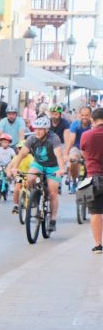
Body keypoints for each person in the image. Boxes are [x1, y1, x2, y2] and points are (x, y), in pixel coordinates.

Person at [7, 115, 64, 231]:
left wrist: (61, 169)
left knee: (53, 193)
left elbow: (58, 155)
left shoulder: (53, 139)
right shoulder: (32, 139)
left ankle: (52, 219)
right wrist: (15, 168)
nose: (37, 131)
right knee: (30, 178)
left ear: (47, 129)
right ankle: (35, 197)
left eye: (40, 129)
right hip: (38, 164)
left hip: (53, 167)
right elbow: (21, 154)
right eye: (36, 129)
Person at [77, 107, 103, 252]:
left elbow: (84, 153)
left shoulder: (86, 135)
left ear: (93, 120)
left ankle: (98, 244)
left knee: (95, 213)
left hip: (92, 177)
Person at [65, 105, 93, 187]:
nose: (84, 117)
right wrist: (66, 154)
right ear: (79, 115)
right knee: (73, 160)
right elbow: (71, 140)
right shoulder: (75, 124)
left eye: (86, 115)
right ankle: (74, 180)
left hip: (89, 149)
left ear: (90, 115)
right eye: (82, 115)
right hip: (77, 148)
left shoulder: (93, 124)